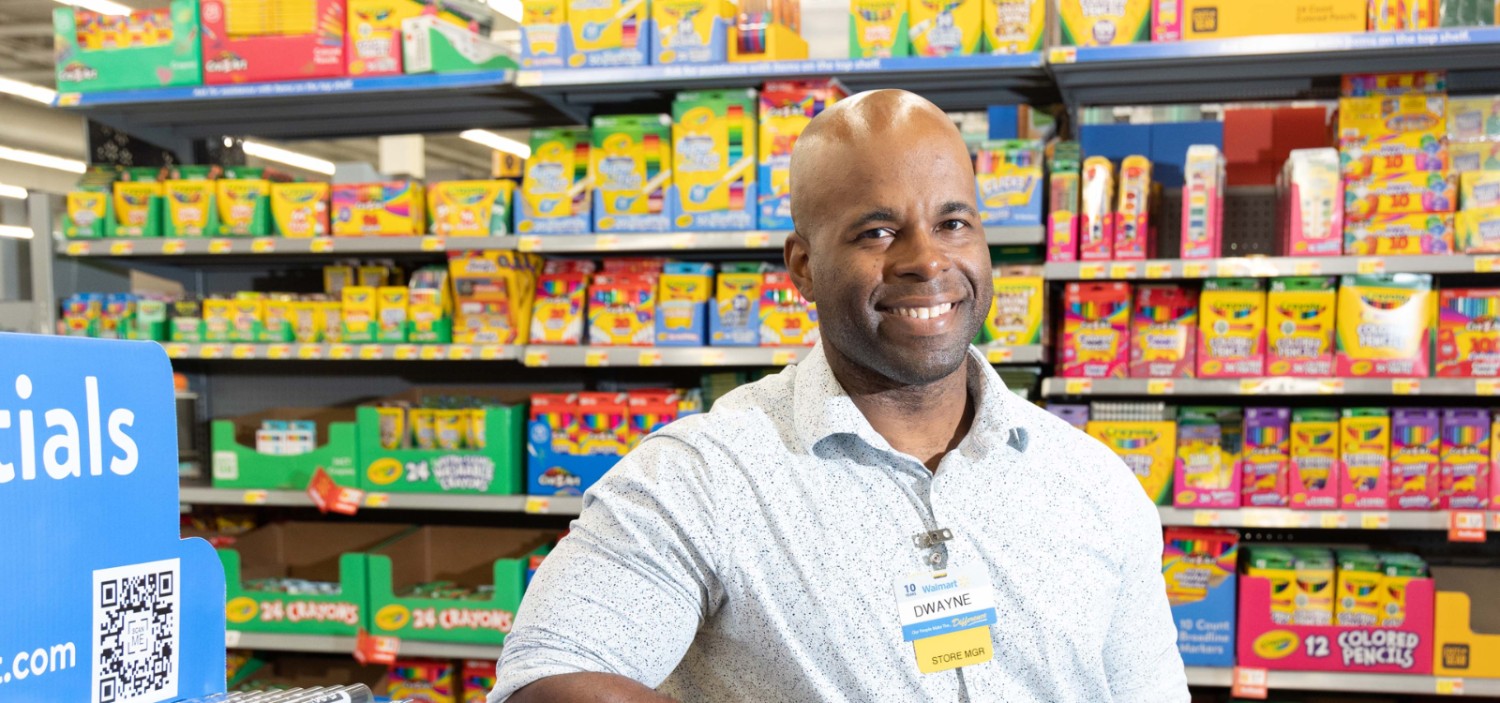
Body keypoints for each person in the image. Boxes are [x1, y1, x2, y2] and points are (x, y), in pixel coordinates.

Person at [493, 90, 1189, 703]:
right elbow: (550, 677)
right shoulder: (699, 477)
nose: (926, 259)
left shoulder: (1094, 483)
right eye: (877, 231)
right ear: (803, 266)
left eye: (953, 223)